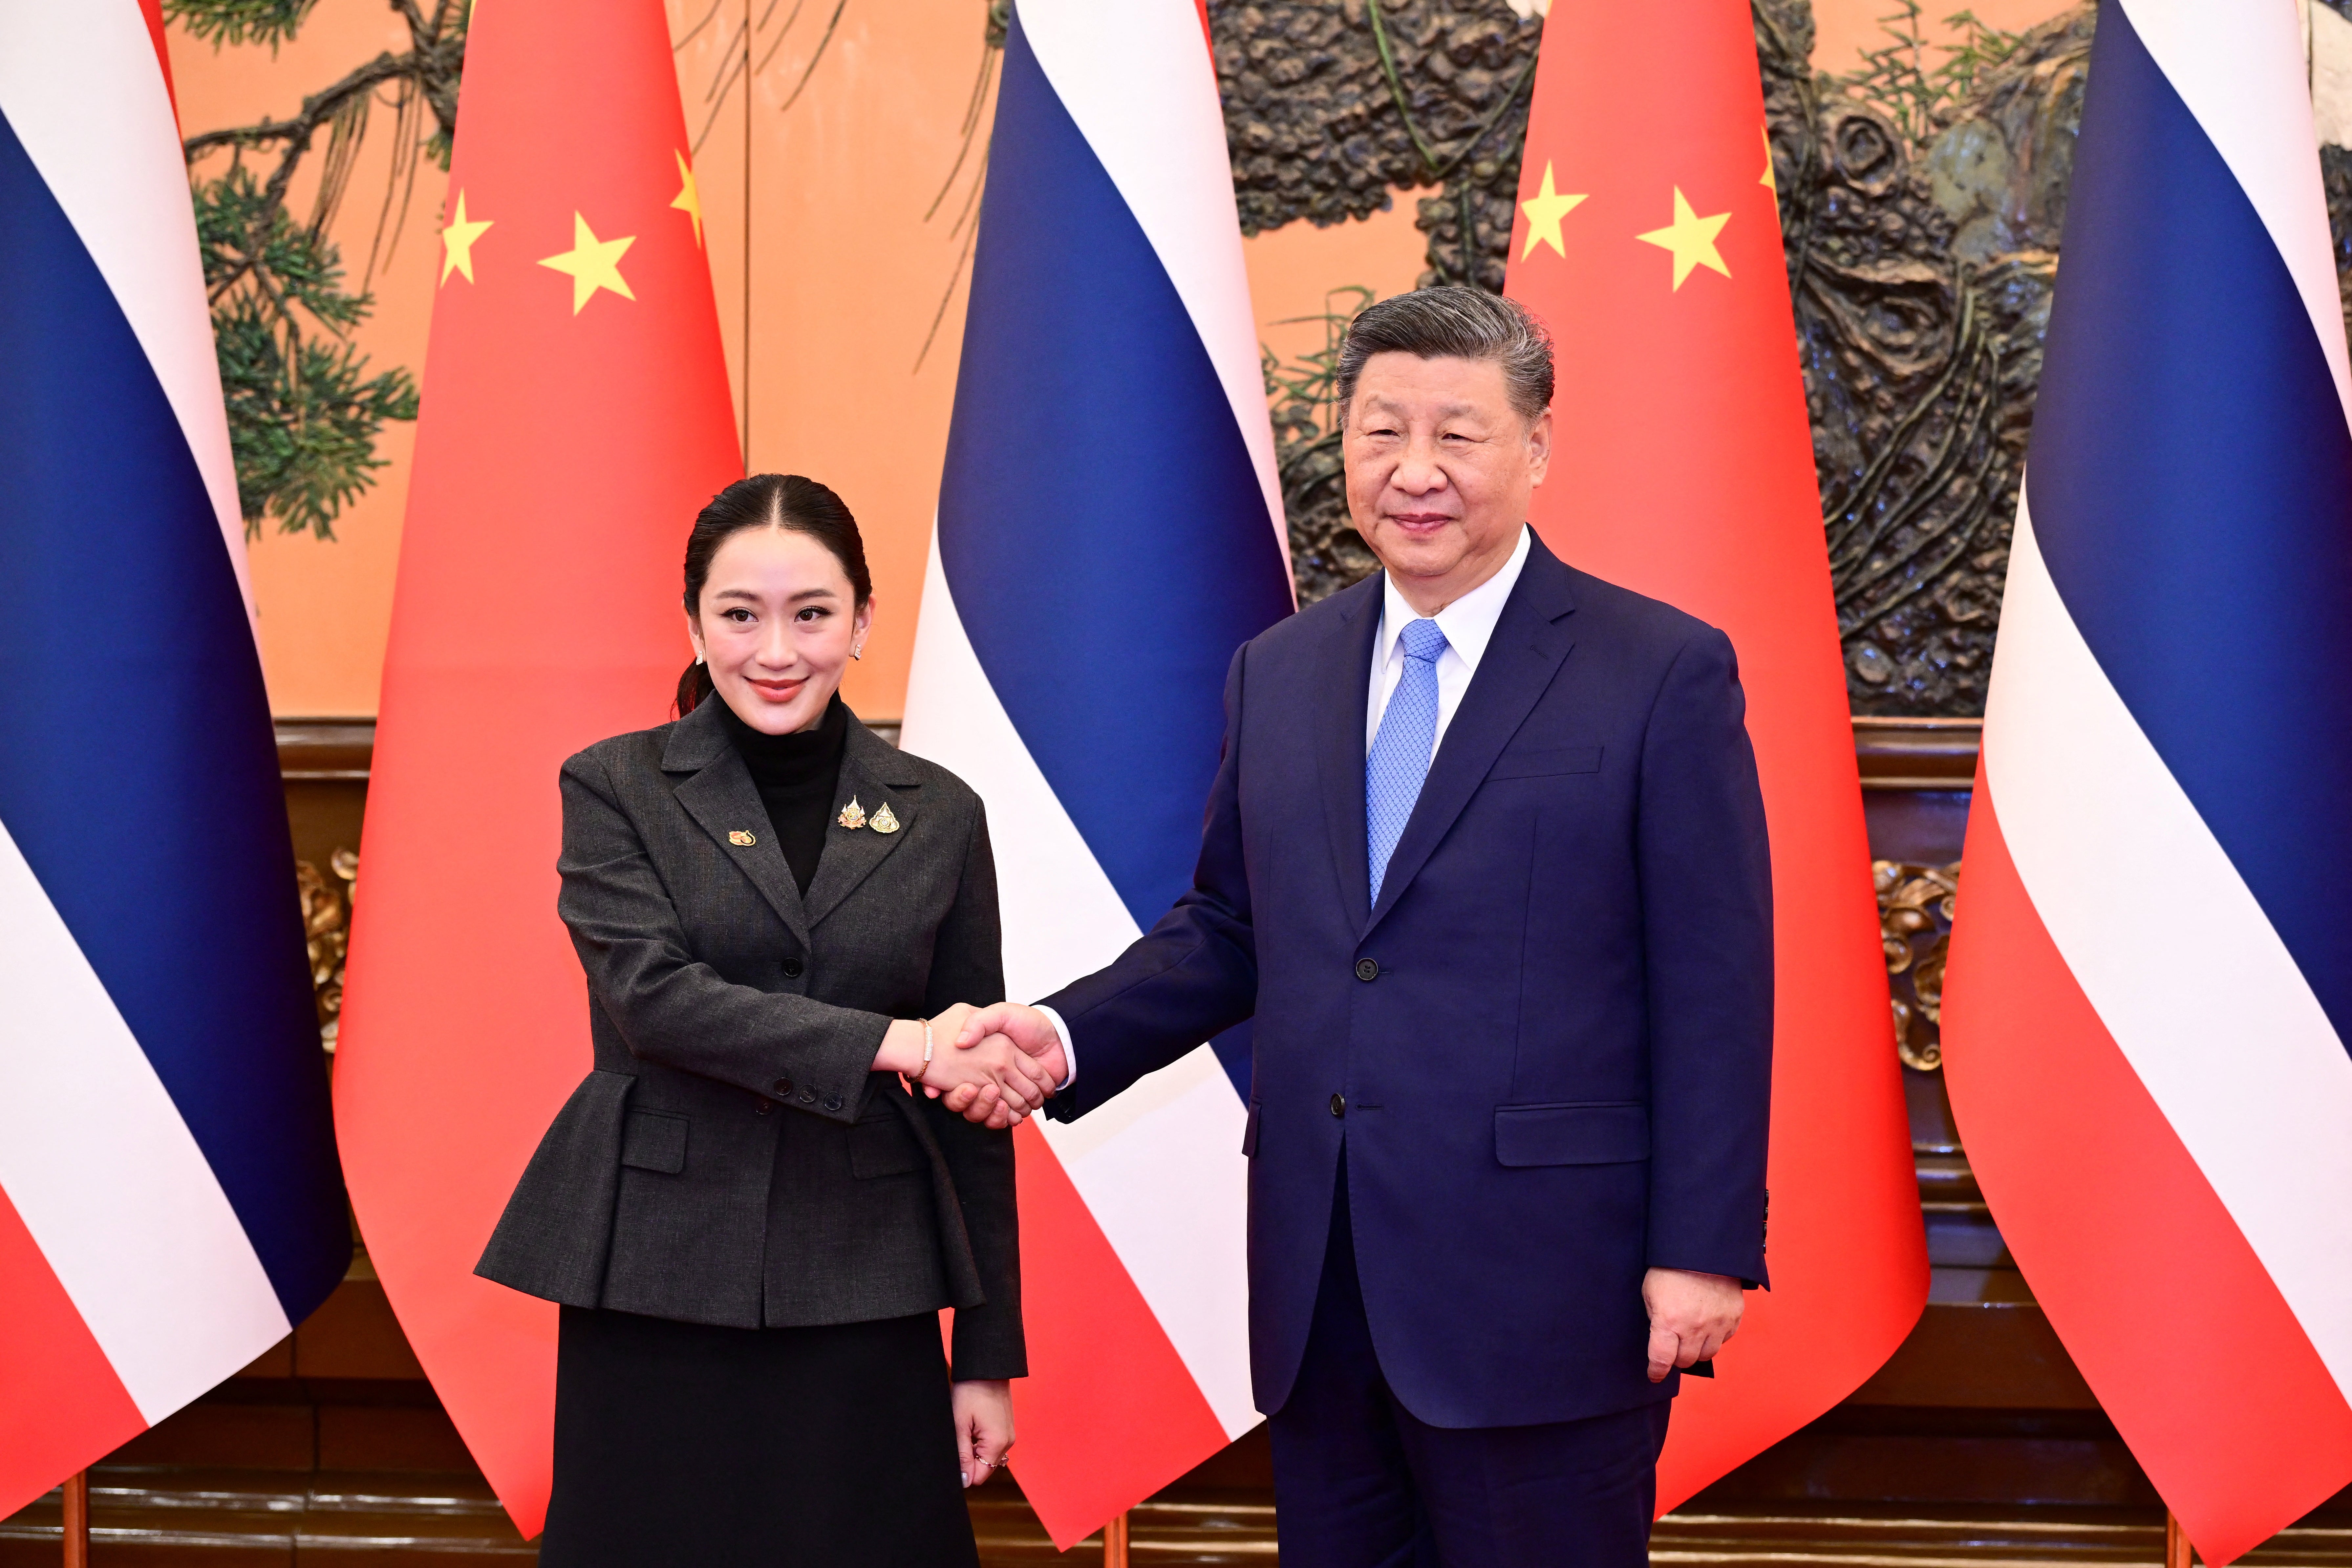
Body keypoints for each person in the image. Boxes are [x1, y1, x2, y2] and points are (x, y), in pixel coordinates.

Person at [947, 288, 1774, 1566]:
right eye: (1382, 431)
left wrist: (1702, 1251)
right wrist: (1060, 1034)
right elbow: (1232, 925)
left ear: (1537, 449)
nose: (1415, 470)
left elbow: (1716, 983)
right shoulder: (1281, 670)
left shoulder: (1658, 669)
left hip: (1551, 1292)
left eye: (1458, 433)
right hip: (1322, 1286)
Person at [475, 474, 1060, 1567]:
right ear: (692, 620)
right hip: (657, 1274)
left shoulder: (940, 812)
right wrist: (901, 1041)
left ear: (864, 621)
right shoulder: (614, 786)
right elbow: (655, 1000)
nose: (776, 649)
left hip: (866, 1281)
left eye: (813, 613)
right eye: (741, 614)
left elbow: (974, 1099)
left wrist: (985, 1355)